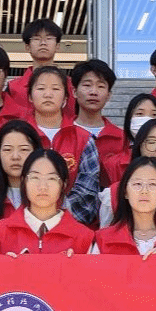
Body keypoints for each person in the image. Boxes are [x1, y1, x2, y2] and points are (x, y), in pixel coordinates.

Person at [25, 65, 100, 225]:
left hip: (71, 229)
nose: (48, 94)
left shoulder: (84, 139)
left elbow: (87, 195)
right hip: (22, 225)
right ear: (30, 96)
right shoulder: (19, 137)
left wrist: (53, 220)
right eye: (41, 88)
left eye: (55, 89)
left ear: (66, 98)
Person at [0, 149, 95, 255]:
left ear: (64, 184)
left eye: (51, 178)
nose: (42, 186)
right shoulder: (0, 233)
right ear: (23, 182)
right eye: (35, 177)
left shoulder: (82, 237)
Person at [93, 157, 156, 256]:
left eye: (152, 184)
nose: (144, 191)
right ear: (125, 192)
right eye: (137, 184)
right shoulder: (103, 239)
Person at [70, 59, 125, 184]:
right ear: (74, 92)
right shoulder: (62, 134)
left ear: (109, 95)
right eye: (87, 85)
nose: (93, 92)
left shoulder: (121, 139)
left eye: (100, 86)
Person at [104, 93, 156, 184]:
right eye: (140, 114)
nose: (146, 119)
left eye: (154, 114)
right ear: (129, 119)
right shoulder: (113, 165)